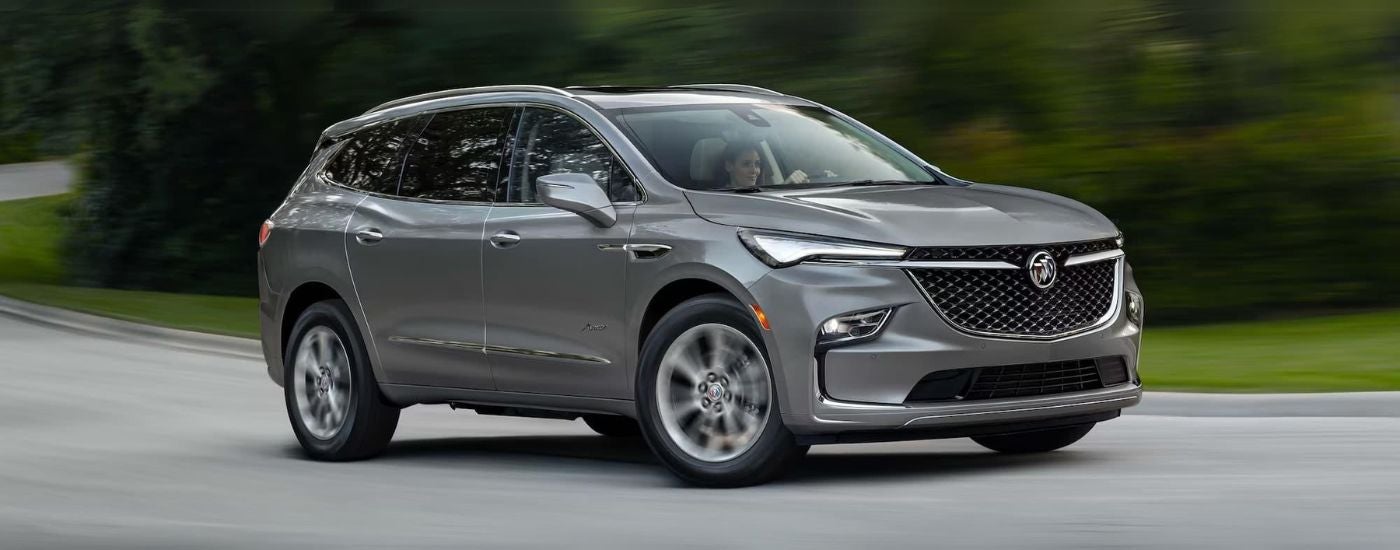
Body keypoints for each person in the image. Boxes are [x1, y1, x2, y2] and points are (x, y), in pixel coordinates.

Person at [714, 140, 808, 190]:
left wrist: (787, 187)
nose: (754, 170)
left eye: (757, 164)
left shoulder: (760, 192)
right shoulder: (719, 198)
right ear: (729, 166)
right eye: (746, 164)